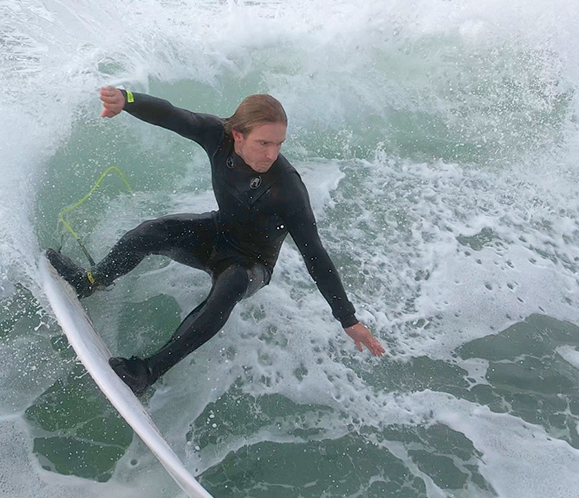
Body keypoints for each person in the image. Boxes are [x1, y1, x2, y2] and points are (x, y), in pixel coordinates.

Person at [48, 87, 385, 394]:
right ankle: (90, 281)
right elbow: (172, 114)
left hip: (251, 262)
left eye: (278, 144)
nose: (271, 154)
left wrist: (348, 318)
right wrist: (127, 100)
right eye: (263, 143)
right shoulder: (217, 135)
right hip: (217, 232)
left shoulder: (288, 190)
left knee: (233, 283)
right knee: (150, 232)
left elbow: (316, 257)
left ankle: (148, 371)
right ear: (238, 135)